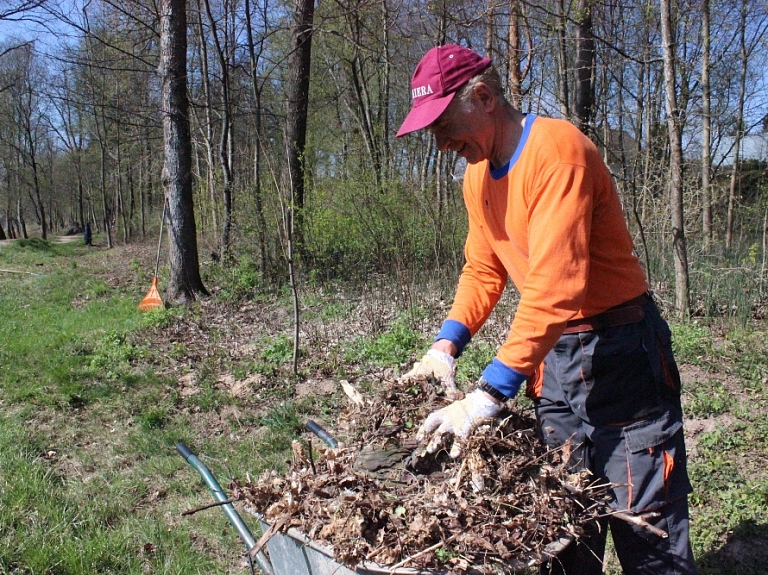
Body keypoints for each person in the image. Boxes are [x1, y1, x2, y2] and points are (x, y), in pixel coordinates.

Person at [397, 44, 697, 575]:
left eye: (444, 124)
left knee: (644, 525)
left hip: (619, 354)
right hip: (552, 361)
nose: (441, 143)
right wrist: (445, 345)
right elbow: (484, 269)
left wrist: (486, 395)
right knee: (562, 525)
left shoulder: (558, 153)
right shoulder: (476, 177)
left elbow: (557, 286)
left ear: (484, 98)